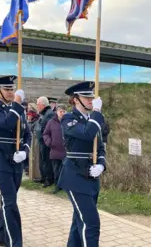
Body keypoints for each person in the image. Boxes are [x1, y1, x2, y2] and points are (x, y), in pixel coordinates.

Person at [0, 75, 32, 247]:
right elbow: (6, 124)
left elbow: (27, 134)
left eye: (12, 89)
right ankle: (14, 242)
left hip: (16, 160)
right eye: (7, 89)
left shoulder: (18, 110)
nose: (11, 92)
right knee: (10, 201)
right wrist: (17, 104)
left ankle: (1, 237)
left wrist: (25, 151)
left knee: (7, 201)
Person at [58, 81, 106, 247]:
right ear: (75, 99)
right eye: (86, 97)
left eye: (92, 96)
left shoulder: (93, 120)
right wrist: (97, 113)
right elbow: (86, 133)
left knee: (79, 222)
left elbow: (100, 147)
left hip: (92, 178)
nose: (90, 100)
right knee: (91, 223)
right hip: (75, 177)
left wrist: (101, 164)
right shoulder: (68, 119)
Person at [43, 104, 67, 193]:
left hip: (66, 150)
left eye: (64, 111)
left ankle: (65, 186)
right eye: (60, 111)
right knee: (56, 170)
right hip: (55, 150)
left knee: (65, 169)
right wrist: (49, 142)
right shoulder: (51, 122)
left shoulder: (68, 121)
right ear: (56, 112)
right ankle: (57, 186)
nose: (62, 113)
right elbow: (45, 134)